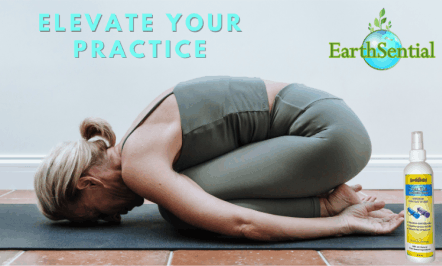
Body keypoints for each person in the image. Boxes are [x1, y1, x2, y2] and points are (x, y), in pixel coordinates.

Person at [34, 76, 405, 241]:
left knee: (181, 210)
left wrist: (342, 225)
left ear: (87, 182)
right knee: (185, 199)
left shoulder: (138, 163)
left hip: (329, 137)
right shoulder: (139, 140)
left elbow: (242, 224)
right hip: (332, 128)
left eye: (97, 213)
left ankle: (327, 208)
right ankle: (327, 201)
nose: (113, 218)